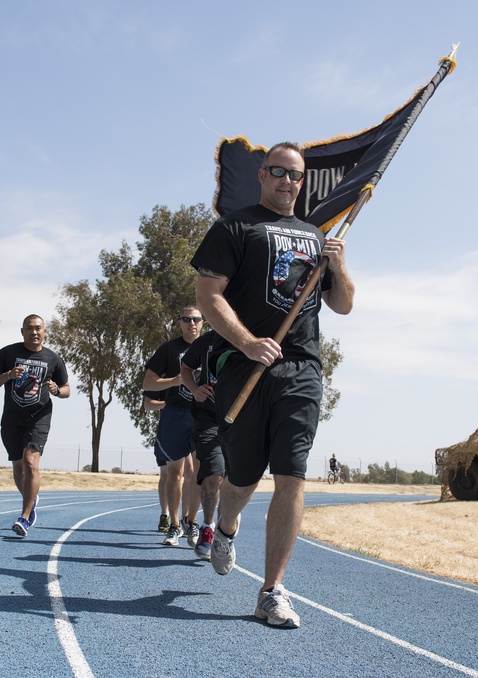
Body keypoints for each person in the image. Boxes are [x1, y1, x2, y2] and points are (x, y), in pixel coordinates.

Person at [191, 141, 354, 628]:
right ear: (262, 175)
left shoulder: (317, 237)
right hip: (246, 368)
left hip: (302, 368)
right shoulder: (235, 226)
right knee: (241, 479)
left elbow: (343, 305)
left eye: (296, 175)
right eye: (279, 171)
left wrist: (338, 265)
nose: (288, 181)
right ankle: (225, 525)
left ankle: (271, 590)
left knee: (291, 474)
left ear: (303, 183)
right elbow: (208, 295)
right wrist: (246, 343)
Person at [0, 314, 69, 537]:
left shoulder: (53, 359)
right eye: (29, 328)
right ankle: (31, 498)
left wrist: (57, 390)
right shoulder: (7, 354)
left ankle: (25, 515)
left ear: (45, 332)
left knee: (30, 461)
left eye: (38, 328)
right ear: (22, 331)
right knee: (19, 467)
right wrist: (8, 375)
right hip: (12, 418)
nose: (34, 332)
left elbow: (67, 389)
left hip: (39, 417)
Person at [142, 306, 204, 547]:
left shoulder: (211, 346)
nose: (192, 323)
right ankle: (174, 525)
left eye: (196, 319)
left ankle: (193, 522)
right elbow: (148, 383)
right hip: (175, 415)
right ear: (180, 322)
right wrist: (176, 380)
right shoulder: (168, 349)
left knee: (198, 472)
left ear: (203, 322)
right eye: (187, 319)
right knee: (174, 473)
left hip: (202, 415)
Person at [179, 329, 224, 560]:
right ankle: (208, 526)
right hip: (207, 420)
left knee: (235, 482)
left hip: (242, 422)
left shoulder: (253, 338)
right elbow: (185, 369)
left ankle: (227, 528)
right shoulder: (205, 342)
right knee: (213, 475)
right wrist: (195, 389)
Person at [143, 391, 171, 532]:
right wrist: (168, 405)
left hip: (193, 430)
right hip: (168, 432)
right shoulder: (164, 380)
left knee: (190, 474)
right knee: (166, 475)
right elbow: (148, 403)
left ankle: (187, 519)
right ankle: (165, 514)